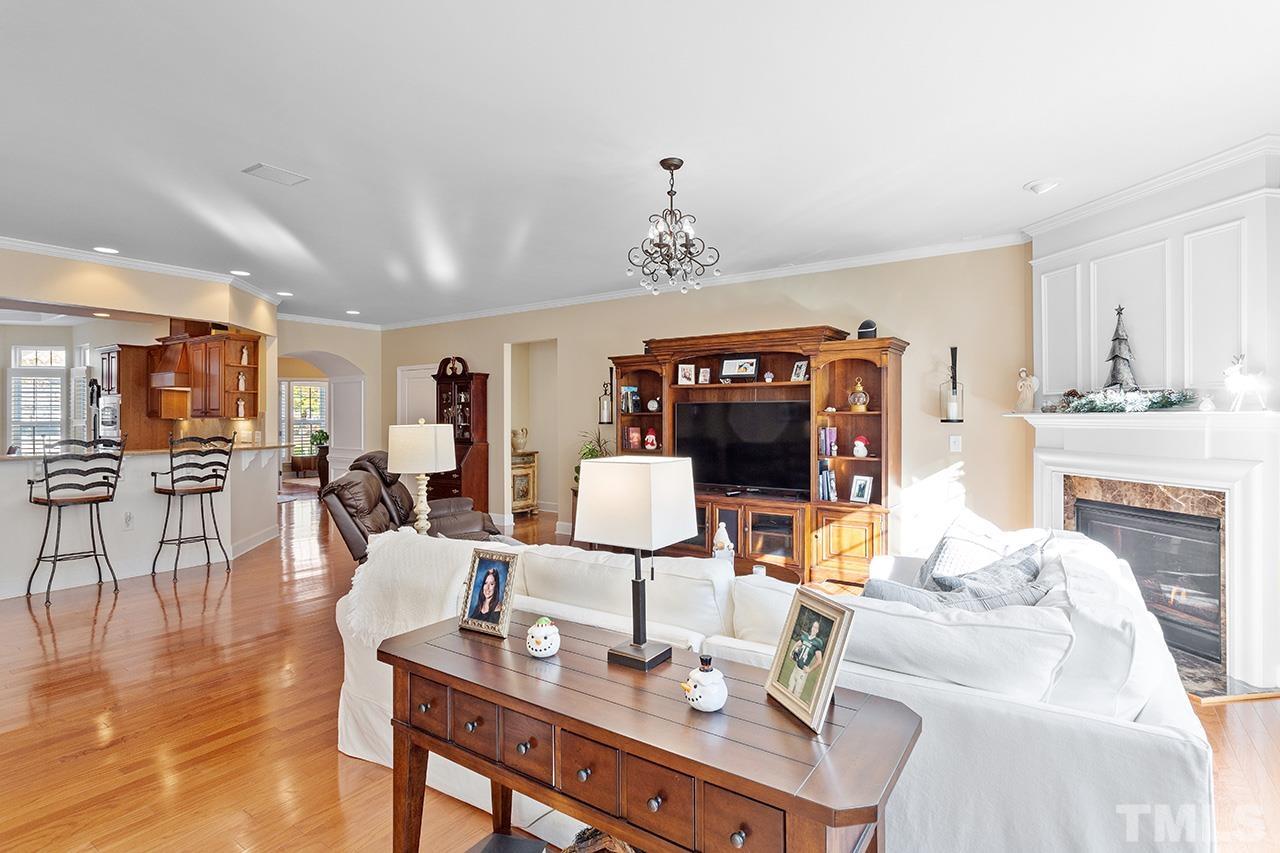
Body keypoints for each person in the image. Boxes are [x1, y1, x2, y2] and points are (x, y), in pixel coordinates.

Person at [786, 615, 825, 699]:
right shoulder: (805, 637)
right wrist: (791, 652)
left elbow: (819, 660)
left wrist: (810, 669)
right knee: (789, 689)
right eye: (813, 626)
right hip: (796, 667)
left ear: (818, 630)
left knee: (796, 694)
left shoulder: (817, 643)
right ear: (811, 627)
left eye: (816, 628)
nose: (814, 629)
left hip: (803, 672)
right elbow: (798, 643)